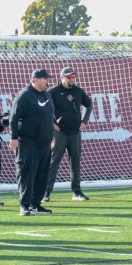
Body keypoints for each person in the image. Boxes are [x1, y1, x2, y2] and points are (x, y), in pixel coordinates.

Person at [9, 69, 55, 216]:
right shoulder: (24, 95)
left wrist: (51, 136)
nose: (48, 81)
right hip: (28, 142)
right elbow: (13, 117)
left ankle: (36, 204)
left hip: (45, 143)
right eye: (45, 79)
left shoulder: (47, 95)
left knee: (42, 174)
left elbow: (49, 117)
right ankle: (24, 205)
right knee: (26, 173)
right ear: (36, 79)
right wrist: (14, 137)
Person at [44, 67, 93, 202]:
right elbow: (44, 107)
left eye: (73, 77)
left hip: (75, 132)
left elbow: (89, 104)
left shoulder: (78, 91)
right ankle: (45, 192)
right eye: (69, 77)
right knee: (54, 162)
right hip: (60, 133)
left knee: (75, 162)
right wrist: (52, 123)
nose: (72, 79)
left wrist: (84, 121)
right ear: (62, 77)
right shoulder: (53, 91)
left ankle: (77, 192)